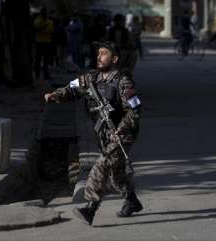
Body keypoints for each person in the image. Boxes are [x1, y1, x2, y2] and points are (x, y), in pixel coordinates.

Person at [44, 41, 143, 225]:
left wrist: (120, 129)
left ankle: (90, 208)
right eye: (98, 53)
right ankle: (131, 200)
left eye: (104, 53)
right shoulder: (91, 78)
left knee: (101, 167)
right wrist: (56, 95)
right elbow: (72, 88)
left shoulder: (123, 81)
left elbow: (135, 110)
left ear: (114, 58)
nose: (99, 56)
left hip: (122, 134)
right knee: (116, 172)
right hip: (104, 134)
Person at [33, 7, 54, 80]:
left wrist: (42, 30)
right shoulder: (39, 21)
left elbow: (50, 31)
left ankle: (43, 75)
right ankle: (38, 75)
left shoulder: (48, 22)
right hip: (41, 42)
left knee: (44, 60)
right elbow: (37, 29)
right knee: (39, 60)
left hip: (44, 42)